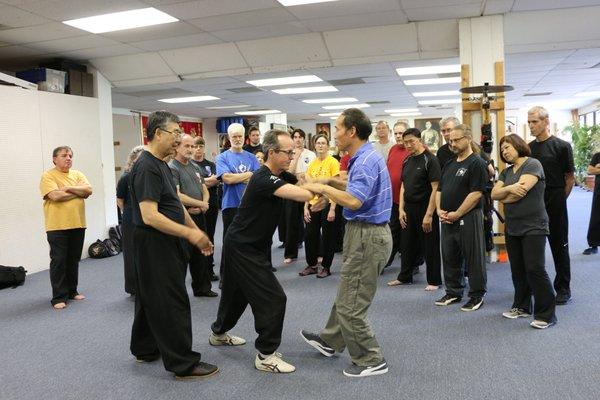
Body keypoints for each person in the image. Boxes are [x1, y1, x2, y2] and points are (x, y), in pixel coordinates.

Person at [210, 129, 317, 374]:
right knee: (273, 297)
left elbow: (305, 183)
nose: (292, 155)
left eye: (293, 151)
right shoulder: (263, 178)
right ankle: (266, 355)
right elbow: (305, 193)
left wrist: (322, 186)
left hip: (253, 244)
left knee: (236, 296)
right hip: (242, 246)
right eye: (288, 152)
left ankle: (218, 333)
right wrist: (323, 193)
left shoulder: (280, 175)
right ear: (272, 153)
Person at [300, 108, 392, 378]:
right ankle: (331, 341)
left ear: (352, 131)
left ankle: (370, 358)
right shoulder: (363, 156)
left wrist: (323, 189)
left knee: (352, 301)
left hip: (367, 236)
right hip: (363, 233)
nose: (333, 135)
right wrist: (329, 181)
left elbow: (354, 200)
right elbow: (352, 185)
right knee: (347, 291)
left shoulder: (364, 161)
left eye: (338, 128)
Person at [129, 111, 217, 379]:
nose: (179, 139)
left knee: (149, 295)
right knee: (172, 301)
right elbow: (150, 215)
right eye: (175, 133)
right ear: (158, 134)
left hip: (165, 240)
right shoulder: (146, 167)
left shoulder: (163, 165)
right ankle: (183, 363)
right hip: (154, 243)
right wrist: (190, 235)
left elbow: (174, 205)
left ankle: (144, 348)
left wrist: (194, 230)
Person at [492, 134, 556, 329]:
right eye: (502, 149)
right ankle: (521, 306)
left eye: (507, 147)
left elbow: (522, 190)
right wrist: (509, 191)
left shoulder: (533, 164)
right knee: (518, 270)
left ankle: (547, 315)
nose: (504, 151)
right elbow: (494, 194)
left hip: (534, 226)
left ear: (518, 145)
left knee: (535, 269)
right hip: (513, 227)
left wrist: (505, 195)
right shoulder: (506, 172)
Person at [435, 124, 488, 311]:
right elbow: (439, 190)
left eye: (456, 140)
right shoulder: (449, 163)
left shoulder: (477, 163)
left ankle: (477, 295)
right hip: (447, 217)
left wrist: (458, 213)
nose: (452, 143)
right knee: (449, 255)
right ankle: (453, 291)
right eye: (450, 140)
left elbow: (476, 194)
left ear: (468, 139)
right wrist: (439, 210)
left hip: (468, 216)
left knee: (473, 257)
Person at [528, 106, 575, 305]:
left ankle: (563, 288)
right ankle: (534, 286)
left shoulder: (562, 146)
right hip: (534, 202)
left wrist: (559, 200)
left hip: (555, 200)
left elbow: (570, 178)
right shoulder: (528, 148)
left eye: (535, 122)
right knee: (533, 248)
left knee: (559, 246)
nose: (531, 126)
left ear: (546, 122)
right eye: (529, 122)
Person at [387, 128, 442, 291]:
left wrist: (429, 214)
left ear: (419, 140)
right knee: (406, 244)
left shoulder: (430, 160)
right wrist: (401, 209)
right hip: (408, 209)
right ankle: (405, 277)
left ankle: (434, 280)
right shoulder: (407, 160)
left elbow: (435, 188)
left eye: (412, 141)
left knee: (430, 246)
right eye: (406, 142)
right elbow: (403, 185)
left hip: (426, 208)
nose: (409, 145)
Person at [39, 146, 93, 310]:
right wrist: (78, 191)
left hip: (78, 223)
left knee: (73, 260)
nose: (68, 158)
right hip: (57, 226)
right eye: (64, 155)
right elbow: (55, 196)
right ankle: (58, 297)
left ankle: (72, 291)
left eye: (70, 155)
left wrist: (68, 188)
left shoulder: (78, 174)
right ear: (55, 159)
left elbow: (89, 190)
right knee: (59, 261)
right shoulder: (48, 176)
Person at [169, 134, 216, 297]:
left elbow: (204, 189)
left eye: (192, 146)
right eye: (186, 146)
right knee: (182, 257)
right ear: (177, 147)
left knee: (200, 253)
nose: (190, 149)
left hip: (199, 214)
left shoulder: (194, 167)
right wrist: (201, 204)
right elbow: (177, 195)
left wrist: (204, 204)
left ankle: (202, 288)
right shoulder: (172, 168)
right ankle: (177, 293)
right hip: (184, 217)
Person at [300, 134, 340, 278]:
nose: (321, 145)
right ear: (314, 146)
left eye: (323, 143)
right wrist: (305, 207)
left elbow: (336, 188)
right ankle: (312, 265)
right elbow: (308, 188)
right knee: (310, 235)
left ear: (327, 146)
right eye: (318, 143)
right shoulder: (312, 164)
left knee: (328, 236)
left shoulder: (333, 162)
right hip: (313, 204)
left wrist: (333, 209)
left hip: (328, 203)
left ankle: (326, 267)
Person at [216, 123, 260, 239]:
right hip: (231, 204)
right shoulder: (222, 157)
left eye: (240, 136)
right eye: (234, 136)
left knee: (249, 238)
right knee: (231, 239)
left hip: (250, 204)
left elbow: (258, 179)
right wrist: (250, 174)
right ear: (229, 138)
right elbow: (227, 179)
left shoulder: (252, 157)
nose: (237, 139)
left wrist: (237, 177)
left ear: (244, 137)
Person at [279, 128, 316, 263]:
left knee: (311, 222)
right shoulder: (289, 154)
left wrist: (304, 177)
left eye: (300, 137)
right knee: (291, 223)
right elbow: (289, 171)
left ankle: (316, 252)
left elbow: (313, 172)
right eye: (295, 137)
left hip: (307, 190)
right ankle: (290, 254)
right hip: (293, 190)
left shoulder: (311, 154)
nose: (298, 139)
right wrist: (297, 155)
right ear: (293, 139)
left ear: (304, 139)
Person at [116, 145, 144, 296]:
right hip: (130, 218)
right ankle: (133, 288)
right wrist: (130, 211)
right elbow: (120, 200)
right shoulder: (126, 177)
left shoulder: (147, 175)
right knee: (131, 252)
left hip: (146, 217)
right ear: (133, 160)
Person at [191, 137, 219, 281]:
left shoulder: (210, 164)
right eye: (195, 146)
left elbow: (216, 180)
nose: (198, 149)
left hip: (211, 204)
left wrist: (201, 182)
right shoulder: (189, 165)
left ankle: (209, 268)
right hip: (194, 205)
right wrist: (205, 182)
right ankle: (199, 270)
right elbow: (196, 184)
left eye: (200, 146)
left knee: (210, 235)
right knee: (197, 236)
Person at [385, 121, 412, 267]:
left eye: (401, 133)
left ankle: (412, 265)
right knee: (393, 231)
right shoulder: (393, 149)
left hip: (409, 200)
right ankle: (386, 261)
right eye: (395, 133)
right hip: (393, 200)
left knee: (408, 234)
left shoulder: (414, 149)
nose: (398, 136)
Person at [584, 151, 600, 255]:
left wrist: (598, 168)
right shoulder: (597, 155)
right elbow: (590, 170)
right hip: (599, 191)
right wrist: (596, 168)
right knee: (596, 217)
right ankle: (593, 245)